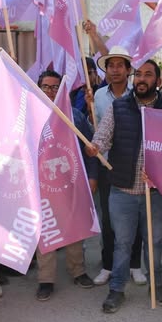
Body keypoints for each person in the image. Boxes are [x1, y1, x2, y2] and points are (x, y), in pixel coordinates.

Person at [85, 59, 162, 313]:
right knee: (122, 243)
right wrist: (95, 147)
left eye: (148, 75)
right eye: (138, 74)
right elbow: (103, 136)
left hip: (154, 193)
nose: (141, 79)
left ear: (158, 81)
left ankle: (156, 286)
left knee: (154, 243)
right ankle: (117, 289)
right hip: (122, 191)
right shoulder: (119, 107)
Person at [34, 70, 98, 301]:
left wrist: (92, 177)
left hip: (72, 184)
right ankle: (46, 280)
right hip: (42, 186)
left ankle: (78, 271)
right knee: (46, 232)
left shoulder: (76, 117)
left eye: (55, 87)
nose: (50, 91)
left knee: (74, 229)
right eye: (46, 86)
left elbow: (91, 149)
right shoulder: (30, 117)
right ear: (38, 88)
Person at [86, 46, 146, 286]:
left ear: (129, 70)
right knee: (110, 219)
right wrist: (91, 115)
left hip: (133, 164)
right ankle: (108, 265)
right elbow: (97, 129)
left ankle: (135, 265)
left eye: (120, 65)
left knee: (137, 216)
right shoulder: (98, 96)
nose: (115, 70)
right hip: (106, 164)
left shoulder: (139, 94)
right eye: (111, 66)